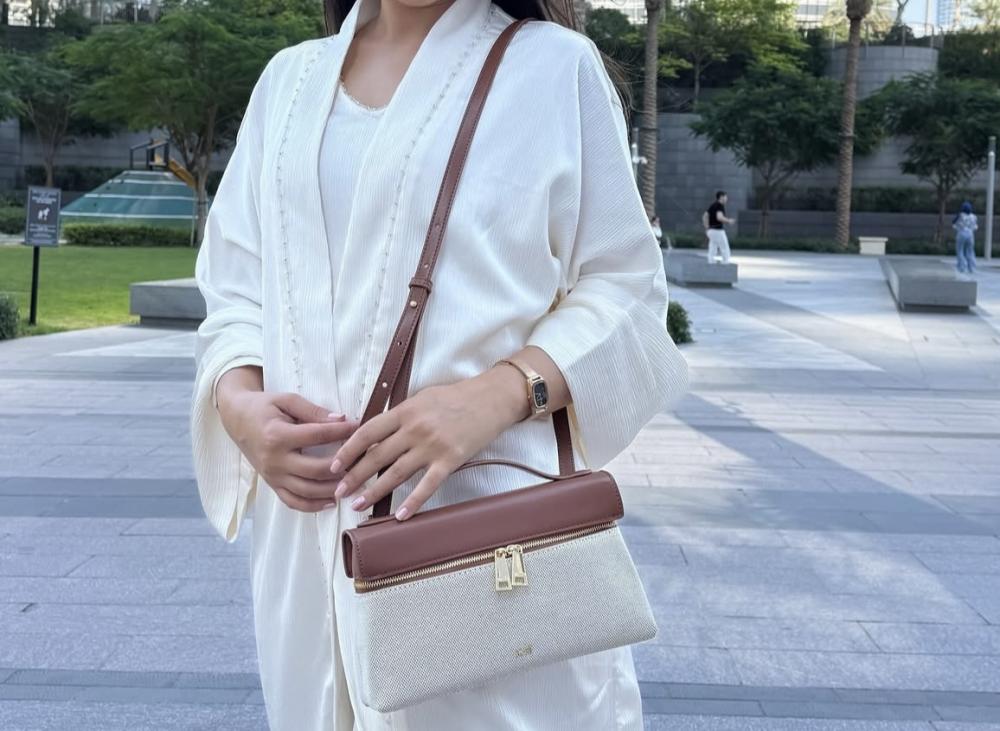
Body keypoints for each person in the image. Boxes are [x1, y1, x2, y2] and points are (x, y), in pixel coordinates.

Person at [190, 0, 690, 729]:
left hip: (488, 537)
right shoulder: (289, 82)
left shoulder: (552, 67)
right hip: (307, 541)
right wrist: (238, 402)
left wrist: (500, 393)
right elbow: (237, 284)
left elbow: (626, 286)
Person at [703, 190, 734, 263]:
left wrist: (706, 227)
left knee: (713, 247)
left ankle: (711, 261)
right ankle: (725, 263)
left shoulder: (713, 205)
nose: (727, 199)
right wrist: (729, 221)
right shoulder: (720, 206)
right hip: (718, 231)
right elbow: (719, 217)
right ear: (721, 197)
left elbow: (705, 216)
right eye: (726, 197)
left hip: (711, 231)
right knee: (725, 247)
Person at [953, 200, 978, 275]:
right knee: (970, 251)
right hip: (970, 234)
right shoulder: (974, 216)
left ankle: (962, 267)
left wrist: (957, 227)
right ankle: (971, 268)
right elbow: (975, 227)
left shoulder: (960, 215)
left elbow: (954, 223)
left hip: (961, 233)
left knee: (960, 250)